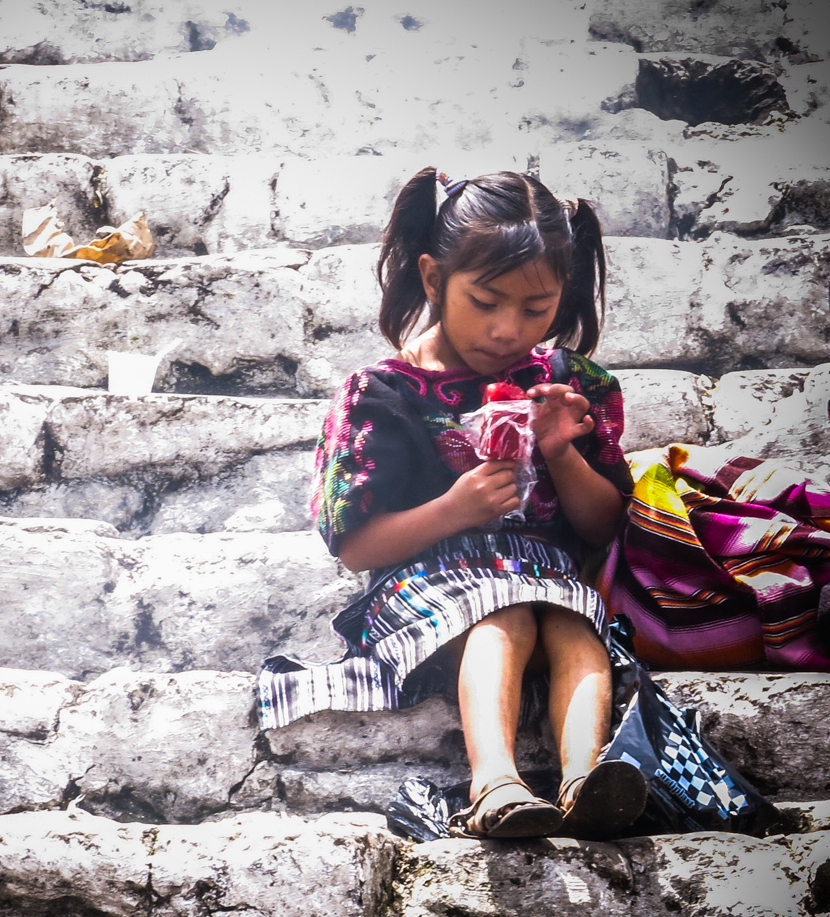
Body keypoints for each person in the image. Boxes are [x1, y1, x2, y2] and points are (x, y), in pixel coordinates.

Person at [258, 168, 648, 839]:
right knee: (508, 616)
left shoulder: (571, 385)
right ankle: (494, 782)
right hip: (427, 577)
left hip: (548, 575)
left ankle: (588, 780)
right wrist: (455, 510)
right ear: (435, 280)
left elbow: (608, 526)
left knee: (574, 627)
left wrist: (563, 454)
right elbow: (354, 544)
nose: (506, 329)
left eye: (535, 309)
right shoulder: (379, 395)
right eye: (486, 301)